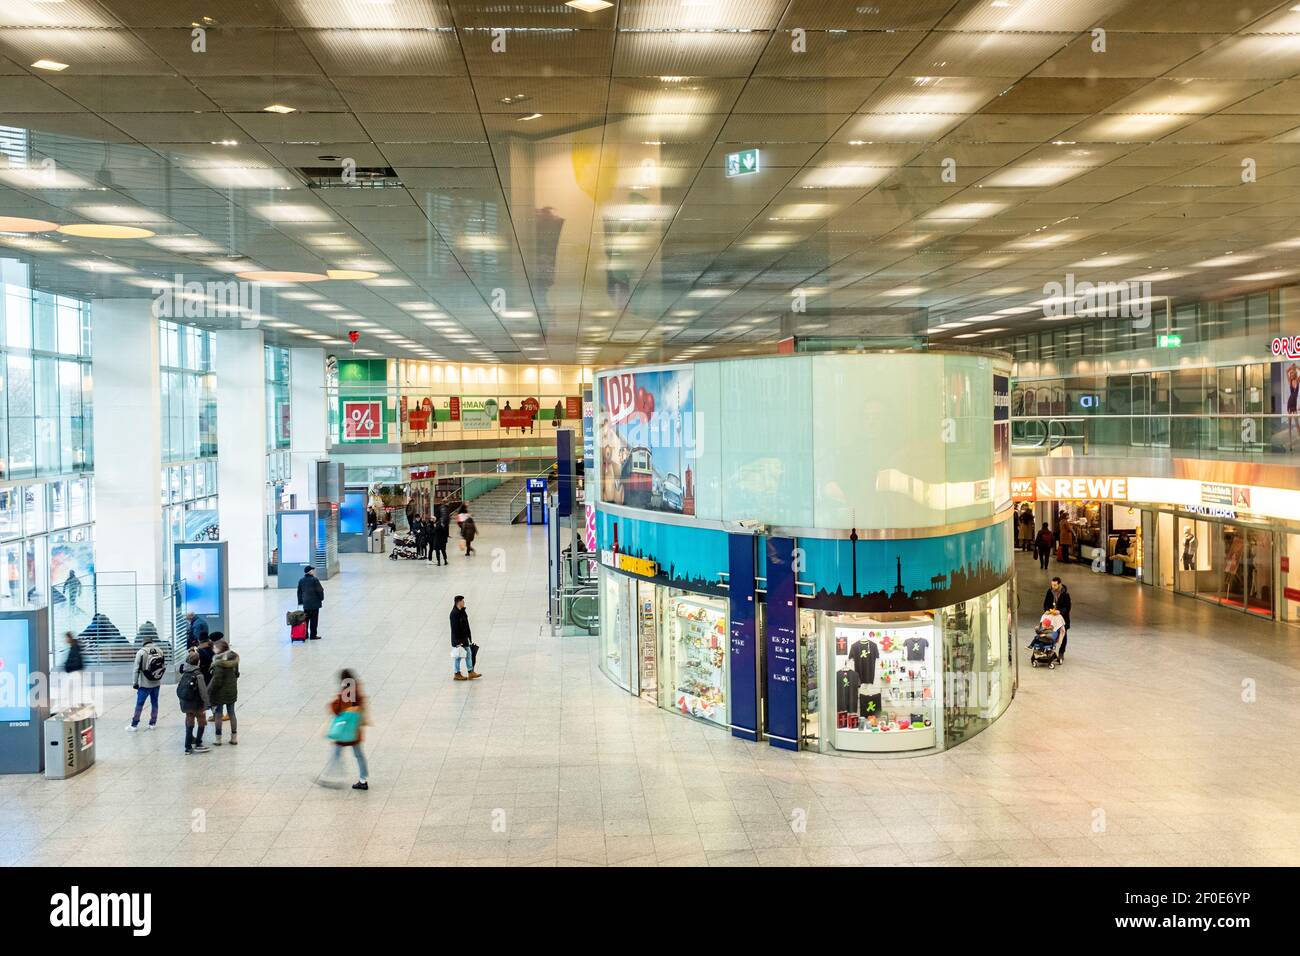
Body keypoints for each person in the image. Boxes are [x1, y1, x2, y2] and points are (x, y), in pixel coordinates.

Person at [317, 669, 369, 790]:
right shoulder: (358, 691)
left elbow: (337, 709)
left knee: (335, 754)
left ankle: (329, 777)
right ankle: (363, 779)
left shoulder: (345, 694)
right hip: (355, 731)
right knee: (359, 755)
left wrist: (334, 703)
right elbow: (361, 707)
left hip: (343, 731)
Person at [127, 622, 166, 731]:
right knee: (155, 703)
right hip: (156, 683)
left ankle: (134, 725)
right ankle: (152, 724)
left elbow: (136, 670)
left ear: (143, 643)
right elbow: (162, 666)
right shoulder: (160, 651)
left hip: (144, 684)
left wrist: (135, 683)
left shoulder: (141, 652)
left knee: (140, 704)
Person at [177, 649, 211, 754]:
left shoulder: (184, 672)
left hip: (186, 703)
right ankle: (198, 742)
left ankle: (187, 747)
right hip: (197, 704)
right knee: (201, 721)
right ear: (198, 662)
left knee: (189, 722)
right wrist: (207, 704)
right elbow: (203, 692)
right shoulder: (198, 674)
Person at [208, 638, 240, 746]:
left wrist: (209, 691)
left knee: (218, 714)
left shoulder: (218, 663)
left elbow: (217, 680)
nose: (213, 648)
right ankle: (234, 737)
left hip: (219, 693)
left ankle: (218, 738)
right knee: (231, 713)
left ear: (220, 650)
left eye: (215, 647)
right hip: (231, 690)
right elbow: (237, 674)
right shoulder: (233, 658)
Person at [450, 595, 480, 681]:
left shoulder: (462, 611)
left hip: (464, 637)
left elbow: (466, 625)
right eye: (463, 601)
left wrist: (469, 637)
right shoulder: (454, 614)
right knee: (458, 656)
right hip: (459, 639)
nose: (464, 603)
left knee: (469, 653)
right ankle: (457, 673)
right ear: (458, 602)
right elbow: (454, 629)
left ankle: (470, 672)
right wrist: (457, 642)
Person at [1043, 577, 1072, 661]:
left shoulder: (1065, 594)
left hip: (1062, 618)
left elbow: (1068, 607)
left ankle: (1061, 652)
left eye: (1055, 585)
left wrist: (1059, 611)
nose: (1053, 586)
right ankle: (1049, 650)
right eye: (1052, 585)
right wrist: (1047, 610)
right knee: (1050, 633)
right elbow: (1046, 603)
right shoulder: (1049, 591)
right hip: (1052, 618)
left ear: (1059, 584)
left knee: (1063, 634)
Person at [297, 565, 324, 640]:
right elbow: (320, 590)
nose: (314, 571)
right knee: (314, 620)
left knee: (306, 620)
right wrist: (321, 598)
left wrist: (300, 601)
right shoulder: (315, 580)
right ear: (310, 572)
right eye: (313, 570)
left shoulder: (301, 580)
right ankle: (313, 635)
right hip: (315, 604)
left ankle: (305, 634)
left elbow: (299, 592)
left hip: (306, 604)